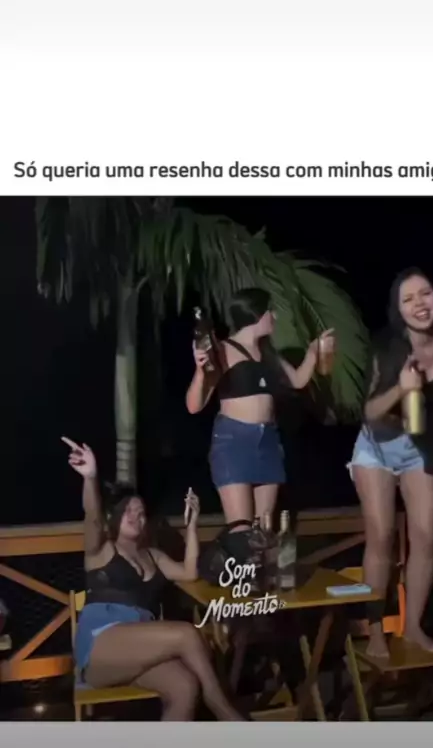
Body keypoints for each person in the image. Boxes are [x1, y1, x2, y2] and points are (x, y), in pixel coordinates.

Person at [62, 437, 245, 721]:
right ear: (114, 517)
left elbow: (189, 572)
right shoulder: (102, 550)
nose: (136, 517)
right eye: (128, 512)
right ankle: (226, 713)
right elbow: (93, 517)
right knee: (187, 633)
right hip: (101, 648)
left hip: (138, 648)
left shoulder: (153, 556)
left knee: (185, 686)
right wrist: (90, 477)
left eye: (141, 513)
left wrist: (192, 526)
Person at [349, 268, 433, 657]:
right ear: (398, 309)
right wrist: (401, 389)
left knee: (426, 536)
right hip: (378, 446)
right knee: (381, 536)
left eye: (425, 293)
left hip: (424, 445)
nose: (420, 304)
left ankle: (413, 627)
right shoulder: (386, 346)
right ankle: (375, 631)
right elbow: (369, 411)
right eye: (408, 299)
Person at [186, 287, 335, 526]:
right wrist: (200, 371)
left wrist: (312, 352)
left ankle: (263, 552)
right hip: (234, 441)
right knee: (242, 530)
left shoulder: (268, 352)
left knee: (264, 529)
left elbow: (297, 381)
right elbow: (194, 405)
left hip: (268, 441)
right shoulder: (223, 350)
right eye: (270, 311)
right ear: (256, 314)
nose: (274, 316)